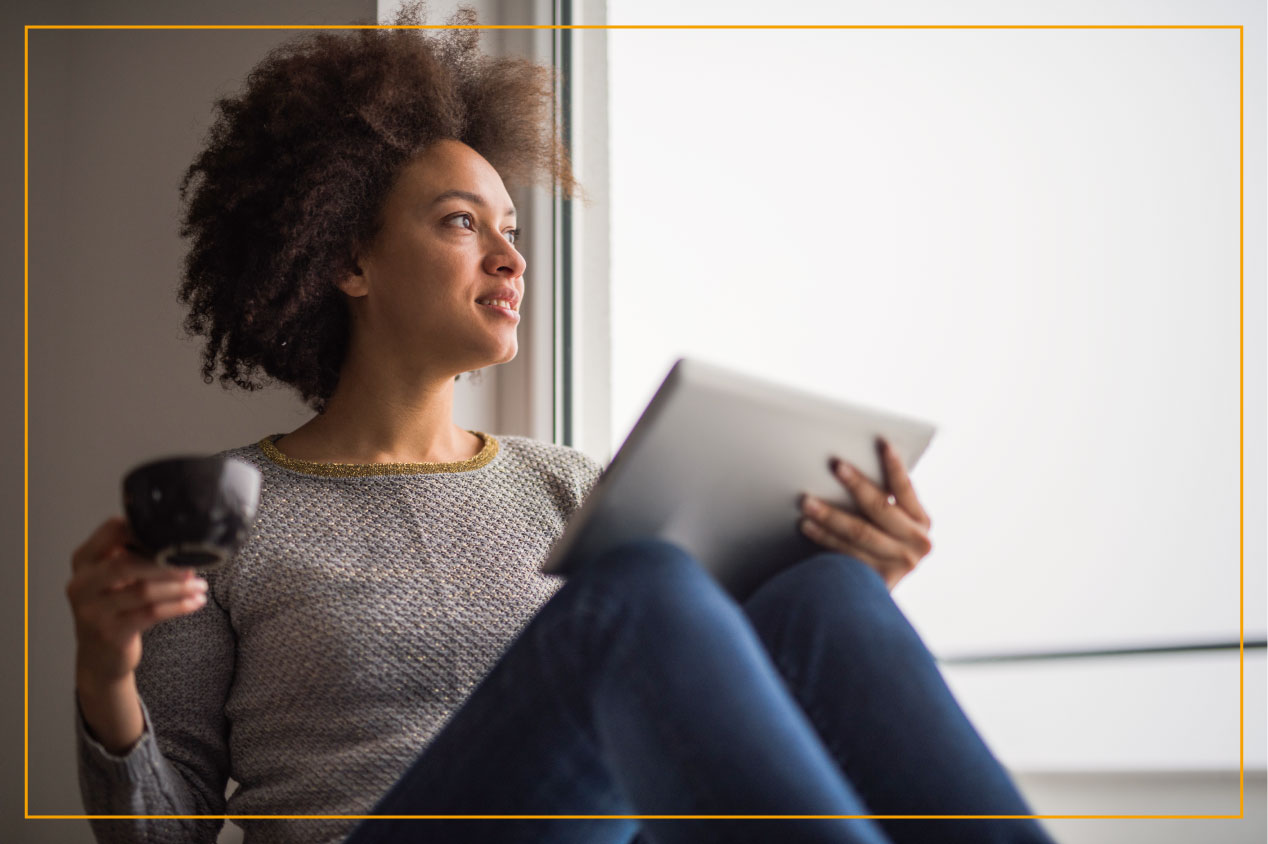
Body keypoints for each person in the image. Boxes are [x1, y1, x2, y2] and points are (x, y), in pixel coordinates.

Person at [66, 4, 1059, 844]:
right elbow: (165, 829)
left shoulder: (570, 489)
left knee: (824, 596)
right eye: (461, 222)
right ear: (347, 259)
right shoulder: (235, 517)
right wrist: (108, 669)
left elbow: (704, 740)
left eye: (510, 227)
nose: (509, 255)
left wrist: (837, 595)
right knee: (644, 591)